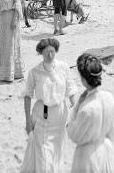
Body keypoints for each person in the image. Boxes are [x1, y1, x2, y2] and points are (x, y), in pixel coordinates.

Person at [20, 38, 77, 173]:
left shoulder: (63, 67)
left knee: (56, 153)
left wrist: (75, 112)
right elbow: (27, 95)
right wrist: (28, 120)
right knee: (43, 154)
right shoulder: (34, 72)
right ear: (41, 53)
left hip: (60, 116)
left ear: (56, 51)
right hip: (42, 115)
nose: (49, 55)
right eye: (46, 53)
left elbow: (71, 90)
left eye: (52, 52)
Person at [67, 53, 114, 173]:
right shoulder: (109, 97)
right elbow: (111, 131)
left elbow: (74, 135)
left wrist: (77, 106)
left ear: (83, 80)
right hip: (106, 149)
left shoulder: (86, 109)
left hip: (88, 157)